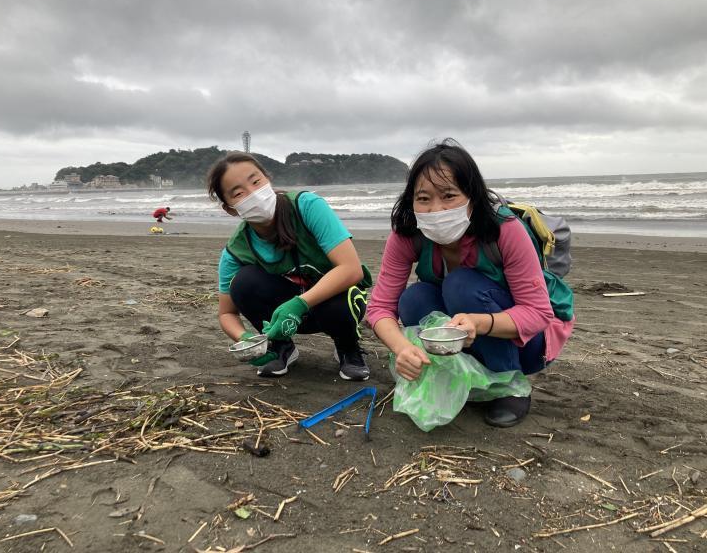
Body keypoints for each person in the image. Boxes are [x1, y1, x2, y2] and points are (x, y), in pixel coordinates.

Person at [366, 139, 574, 427]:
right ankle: (463, 377)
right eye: (423, 199)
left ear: (472, 197)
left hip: (529, 344)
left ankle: (509, 386)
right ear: (411, 200)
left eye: (449, 196)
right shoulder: (407, 234)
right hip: (468, 332)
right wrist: (401, 348)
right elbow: (379, 308)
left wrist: (479, 323)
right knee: (414, 299)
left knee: (460, 284)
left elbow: (539, 313)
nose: (435, 209)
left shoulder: (505, 230)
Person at [206, 152, 373, 380]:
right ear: (230, 208)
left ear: (268, 179)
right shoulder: (237, 249)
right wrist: (246, 339)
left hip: (333, 304)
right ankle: (280, 346)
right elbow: (226, 313)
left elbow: (351, 269)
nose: (253, 193)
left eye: (256, 182)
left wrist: (299, 303)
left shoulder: (307, 207)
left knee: (342, 300)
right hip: (281, 320)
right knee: (243, 283)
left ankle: (347, 346)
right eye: (239, 193)